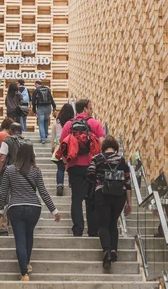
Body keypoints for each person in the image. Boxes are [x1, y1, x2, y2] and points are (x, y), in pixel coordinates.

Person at [0, 142, 61, 281]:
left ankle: (24, 273)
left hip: (16, 207)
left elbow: (3, 192)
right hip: (34, 207)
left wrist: (0, 210)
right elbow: (43, 192)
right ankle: (26, 262)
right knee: (29, 235)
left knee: (20, 238)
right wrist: (53, 210)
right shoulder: (36, 170)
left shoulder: (9, 170)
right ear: (32, 155)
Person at [60, 99, 106, 237]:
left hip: (74, 166)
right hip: (92, 165)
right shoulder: (95, 123)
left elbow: (62, 146)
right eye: (90, 108)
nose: (92, 110)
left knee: (76, 198)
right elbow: (103, 145)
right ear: (85, 109)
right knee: (91, 198)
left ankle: (78, 229)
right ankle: (93, 230)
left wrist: (67, 163)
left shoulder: (69, 124)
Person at [86, 135, 132, 269]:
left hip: (102, 194)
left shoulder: (97, 159)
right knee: (113, 223)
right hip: (119, 195)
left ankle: (106, 251)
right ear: (116, 147)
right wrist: (129, 203)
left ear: (103, 147)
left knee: (103, 225)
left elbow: (89, 174)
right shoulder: (122, 161)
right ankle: (114, 250)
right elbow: (128, 183)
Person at [51, 103, 75, 196]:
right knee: (70, 166)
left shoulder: (57, 122)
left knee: (60, 168)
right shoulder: (73, 122)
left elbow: (53, 134)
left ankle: (60, 185)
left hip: (59, 145)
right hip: (70, 145)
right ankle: (71, 183)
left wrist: (52, 147)